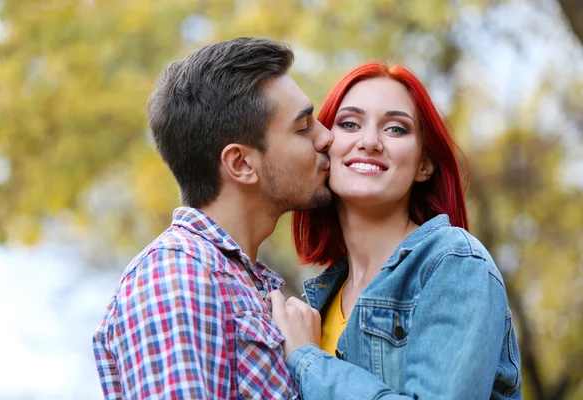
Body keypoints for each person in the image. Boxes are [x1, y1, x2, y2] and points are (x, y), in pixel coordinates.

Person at [92, 37, 334, 399]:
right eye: (303, 128)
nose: (326, 137)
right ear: (241, 164)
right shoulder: (175, 277)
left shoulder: (245, 283)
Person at [269, 62, 522, 399]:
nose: (370, 141)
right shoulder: (319, 300)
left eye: (396, 129)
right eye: (349, 124)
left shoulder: (456, 265)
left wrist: (308, 361)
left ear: (424, 164)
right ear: (324, 146)